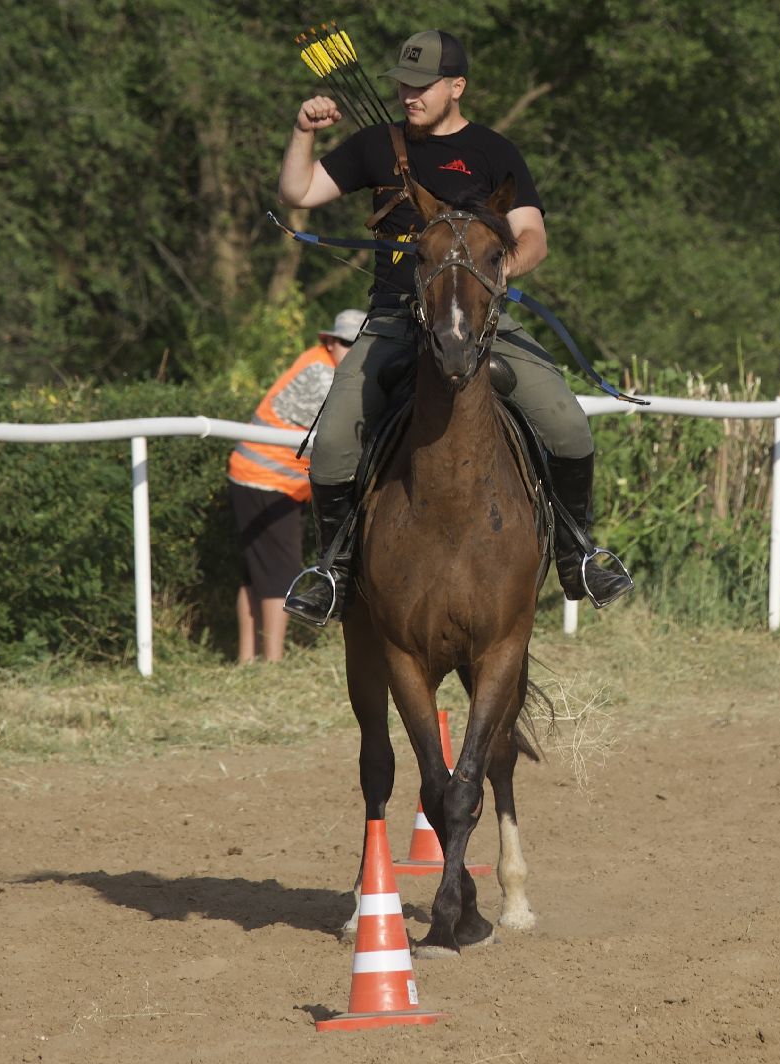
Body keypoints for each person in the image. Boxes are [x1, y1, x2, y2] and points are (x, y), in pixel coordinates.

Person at [275, 28, 634, 626]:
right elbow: (298, 191)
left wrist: (493, 275)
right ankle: (334, 571)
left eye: (422, 86)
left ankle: (579, 555)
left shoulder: (494, 151)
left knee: (569, 425)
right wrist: (302, 130)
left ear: (457, 86)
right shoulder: (376, 145)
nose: (408, 95)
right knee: (333, 443)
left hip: (485, 322)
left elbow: (533, 237)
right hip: (394, 321)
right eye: (402, 85)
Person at [225, 309, 364, 661]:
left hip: (254, 476)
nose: (351, 350)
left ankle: (247, 660)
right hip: (268, 481)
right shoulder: (325, 377)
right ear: (330, 342)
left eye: (358, 344)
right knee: (279, 573)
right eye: (346, 343)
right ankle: (273, 663)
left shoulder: (317, 362)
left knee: (256, 574)